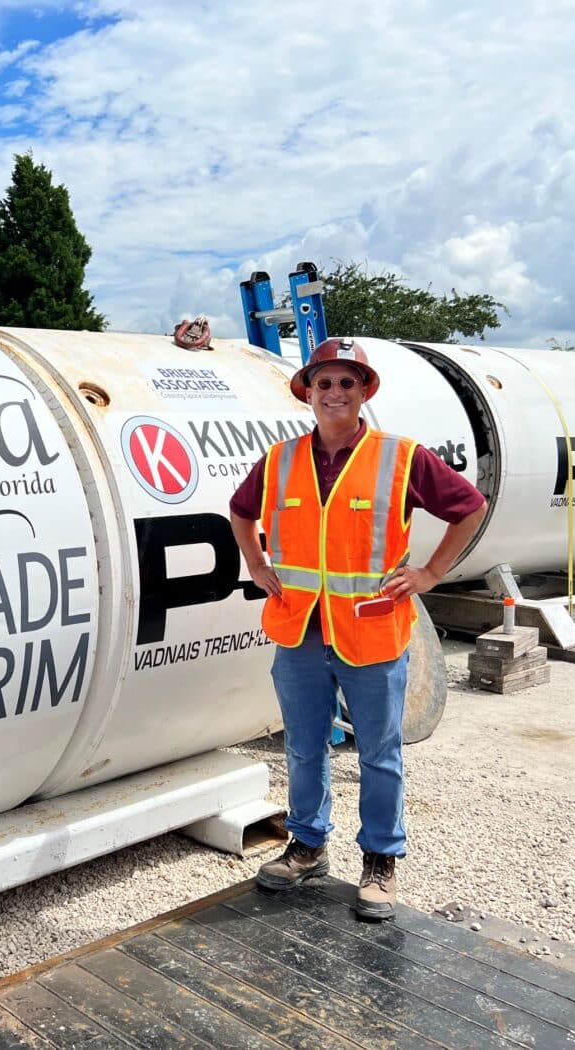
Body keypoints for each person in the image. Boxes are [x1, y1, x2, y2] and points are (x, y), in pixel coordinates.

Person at [229, 337, 488, 920]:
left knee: (378, 751)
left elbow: (469, 506)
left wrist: (432, 571)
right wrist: (256, 563)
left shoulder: (401, 458)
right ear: (308, 394)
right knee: (302, 746)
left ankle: (380, 859)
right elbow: (241, 511)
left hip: (370, 631)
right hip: (299, 631)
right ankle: (308, 845)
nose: (335, 393)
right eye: (324, 383)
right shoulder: (281, 459)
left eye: (347, 382)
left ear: (364, 391)